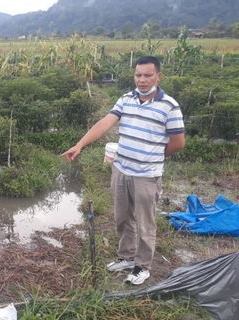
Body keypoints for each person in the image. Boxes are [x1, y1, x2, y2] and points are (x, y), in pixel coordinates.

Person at [62, 56, 185, 285]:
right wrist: (80, 144)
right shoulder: (126, 99)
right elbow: (104, 123)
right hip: (121, 170)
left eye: (148, 75)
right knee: (122, 218)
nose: (142, 80)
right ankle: (127, 257)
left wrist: (153, 155)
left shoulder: (169, 105)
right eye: (138, 75)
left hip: (147, 176)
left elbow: (178, 142)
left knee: (145, 222)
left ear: (158, 76)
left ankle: (143, 266)